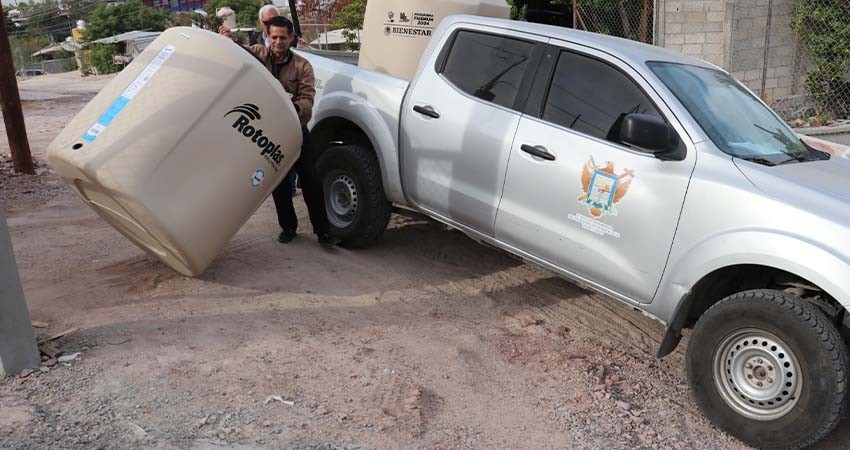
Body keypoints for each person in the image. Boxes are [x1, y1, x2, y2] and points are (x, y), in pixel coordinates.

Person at [220, 16, 337, 245]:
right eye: (273, 37)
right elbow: (236, 53)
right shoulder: (258, 55)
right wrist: (227, 40)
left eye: (283, 37)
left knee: (311, 181)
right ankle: (288, 227)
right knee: (279, 183)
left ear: (291, 38)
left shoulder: (303, 66)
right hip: (267, 133)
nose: (278, 42)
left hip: (296, 131)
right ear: (267, 36)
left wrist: (289, 107)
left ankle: (324, 232)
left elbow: (307, 101)